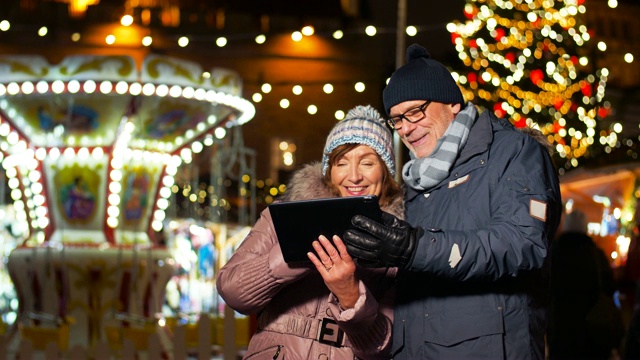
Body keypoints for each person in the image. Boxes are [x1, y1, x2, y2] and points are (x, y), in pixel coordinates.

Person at [342, 44, 562, 359]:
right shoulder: (417, 179)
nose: (405, 128)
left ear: (452, 104)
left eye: (415, 111)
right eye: (396, 120)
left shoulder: (512, 152)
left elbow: (522, 243)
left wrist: (415, 248)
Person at [216, 105, 404, 359]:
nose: (354, 176)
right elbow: (233, 293)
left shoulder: (397, 240)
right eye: (342, 163)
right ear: (329, 172)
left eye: (368, 163)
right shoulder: (284, 215)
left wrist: (350, 294)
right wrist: (295, 252)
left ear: (386, 171)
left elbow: (382, 346)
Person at [547, 209, 622, 360]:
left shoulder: (553, 253)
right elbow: (610, 287)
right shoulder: (596, 254)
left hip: (560, 329)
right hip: (592, 332)